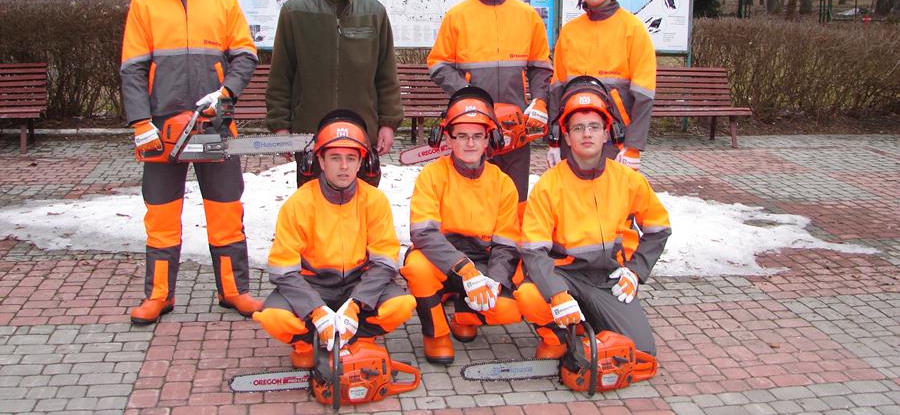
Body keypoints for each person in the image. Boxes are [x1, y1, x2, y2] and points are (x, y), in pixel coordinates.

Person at [121, 0, 262, 324]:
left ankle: (234, 290)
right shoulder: (144, 4)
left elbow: (245, 56)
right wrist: (140, 122)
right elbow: (132, 68)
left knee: (225, 209)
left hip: (212, 124)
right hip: (162, 127)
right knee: (161, 213)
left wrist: (226, 93)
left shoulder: (223, 2)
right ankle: (159, 295)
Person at [515, 76, 670, 359]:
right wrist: (556, 292)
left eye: (594, 127)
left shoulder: (628, 180)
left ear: (606, 133)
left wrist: (635, 271)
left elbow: (659, 228)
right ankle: (557, 336)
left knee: (641, 352)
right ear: (566, 136)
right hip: (564, 275)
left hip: (608, 277)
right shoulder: (549, 185)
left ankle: (590, 322)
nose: (586, 134)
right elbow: (534, 250)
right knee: (529, 295)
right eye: (578, 128)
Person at [252, 110, 416, 368]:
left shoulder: (374, 200)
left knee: (401, 304)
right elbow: (283, 269)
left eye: (351, 158)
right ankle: (307, 343)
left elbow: (385, 262)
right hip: (312, 284)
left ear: (362, 162)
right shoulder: (299, 203)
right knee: (273, 316)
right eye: (335, 158)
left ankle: (359, 338)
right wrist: (315, 309)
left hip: (359, 283)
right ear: (320, 160)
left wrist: (356, 304)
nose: (344, 166)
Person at [427, 0, 552, 213]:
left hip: (516, 125)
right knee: (474, 198)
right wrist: (469, 94)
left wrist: (539, 101)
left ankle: (513, 240)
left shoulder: (528, 17)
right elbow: (438, 64)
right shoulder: (458, 16)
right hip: (473, 125)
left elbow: (541, 67)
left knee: (515, 198)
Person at [266, 0, 403, 187]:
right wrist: (280, 125)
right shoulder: (294, 12)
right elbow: (281, 75)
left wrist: (388, 124)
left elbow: (386, 75)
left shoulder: (374, 12)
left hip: (362, 131)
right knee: (313, 203)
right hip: (310, 132)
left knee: (362, 203)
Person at [401, 87, 521, 364]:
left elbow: (506, 243)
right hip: (441, 258)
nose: (470, 143)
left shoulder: (502, 183)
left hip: (482, 260)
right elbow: (424, 233)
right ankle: (437, 334)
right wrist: (465, 271)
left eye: (477, 136)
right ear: (448, 139)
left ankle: (465, 316)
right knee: (417, 267)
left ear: (488, 139)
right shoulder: (432, 175)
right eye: (462, 136)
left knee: (509, 309)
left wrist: (495, 281)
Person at [548, 0, 656, 171]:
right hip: (572, 138)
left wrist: (633, 146)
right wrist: (554, 141)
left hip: (615, 141)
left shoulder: (632, 30)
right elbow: (556, 92)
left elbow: (644, 94)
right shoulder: (570, 32)